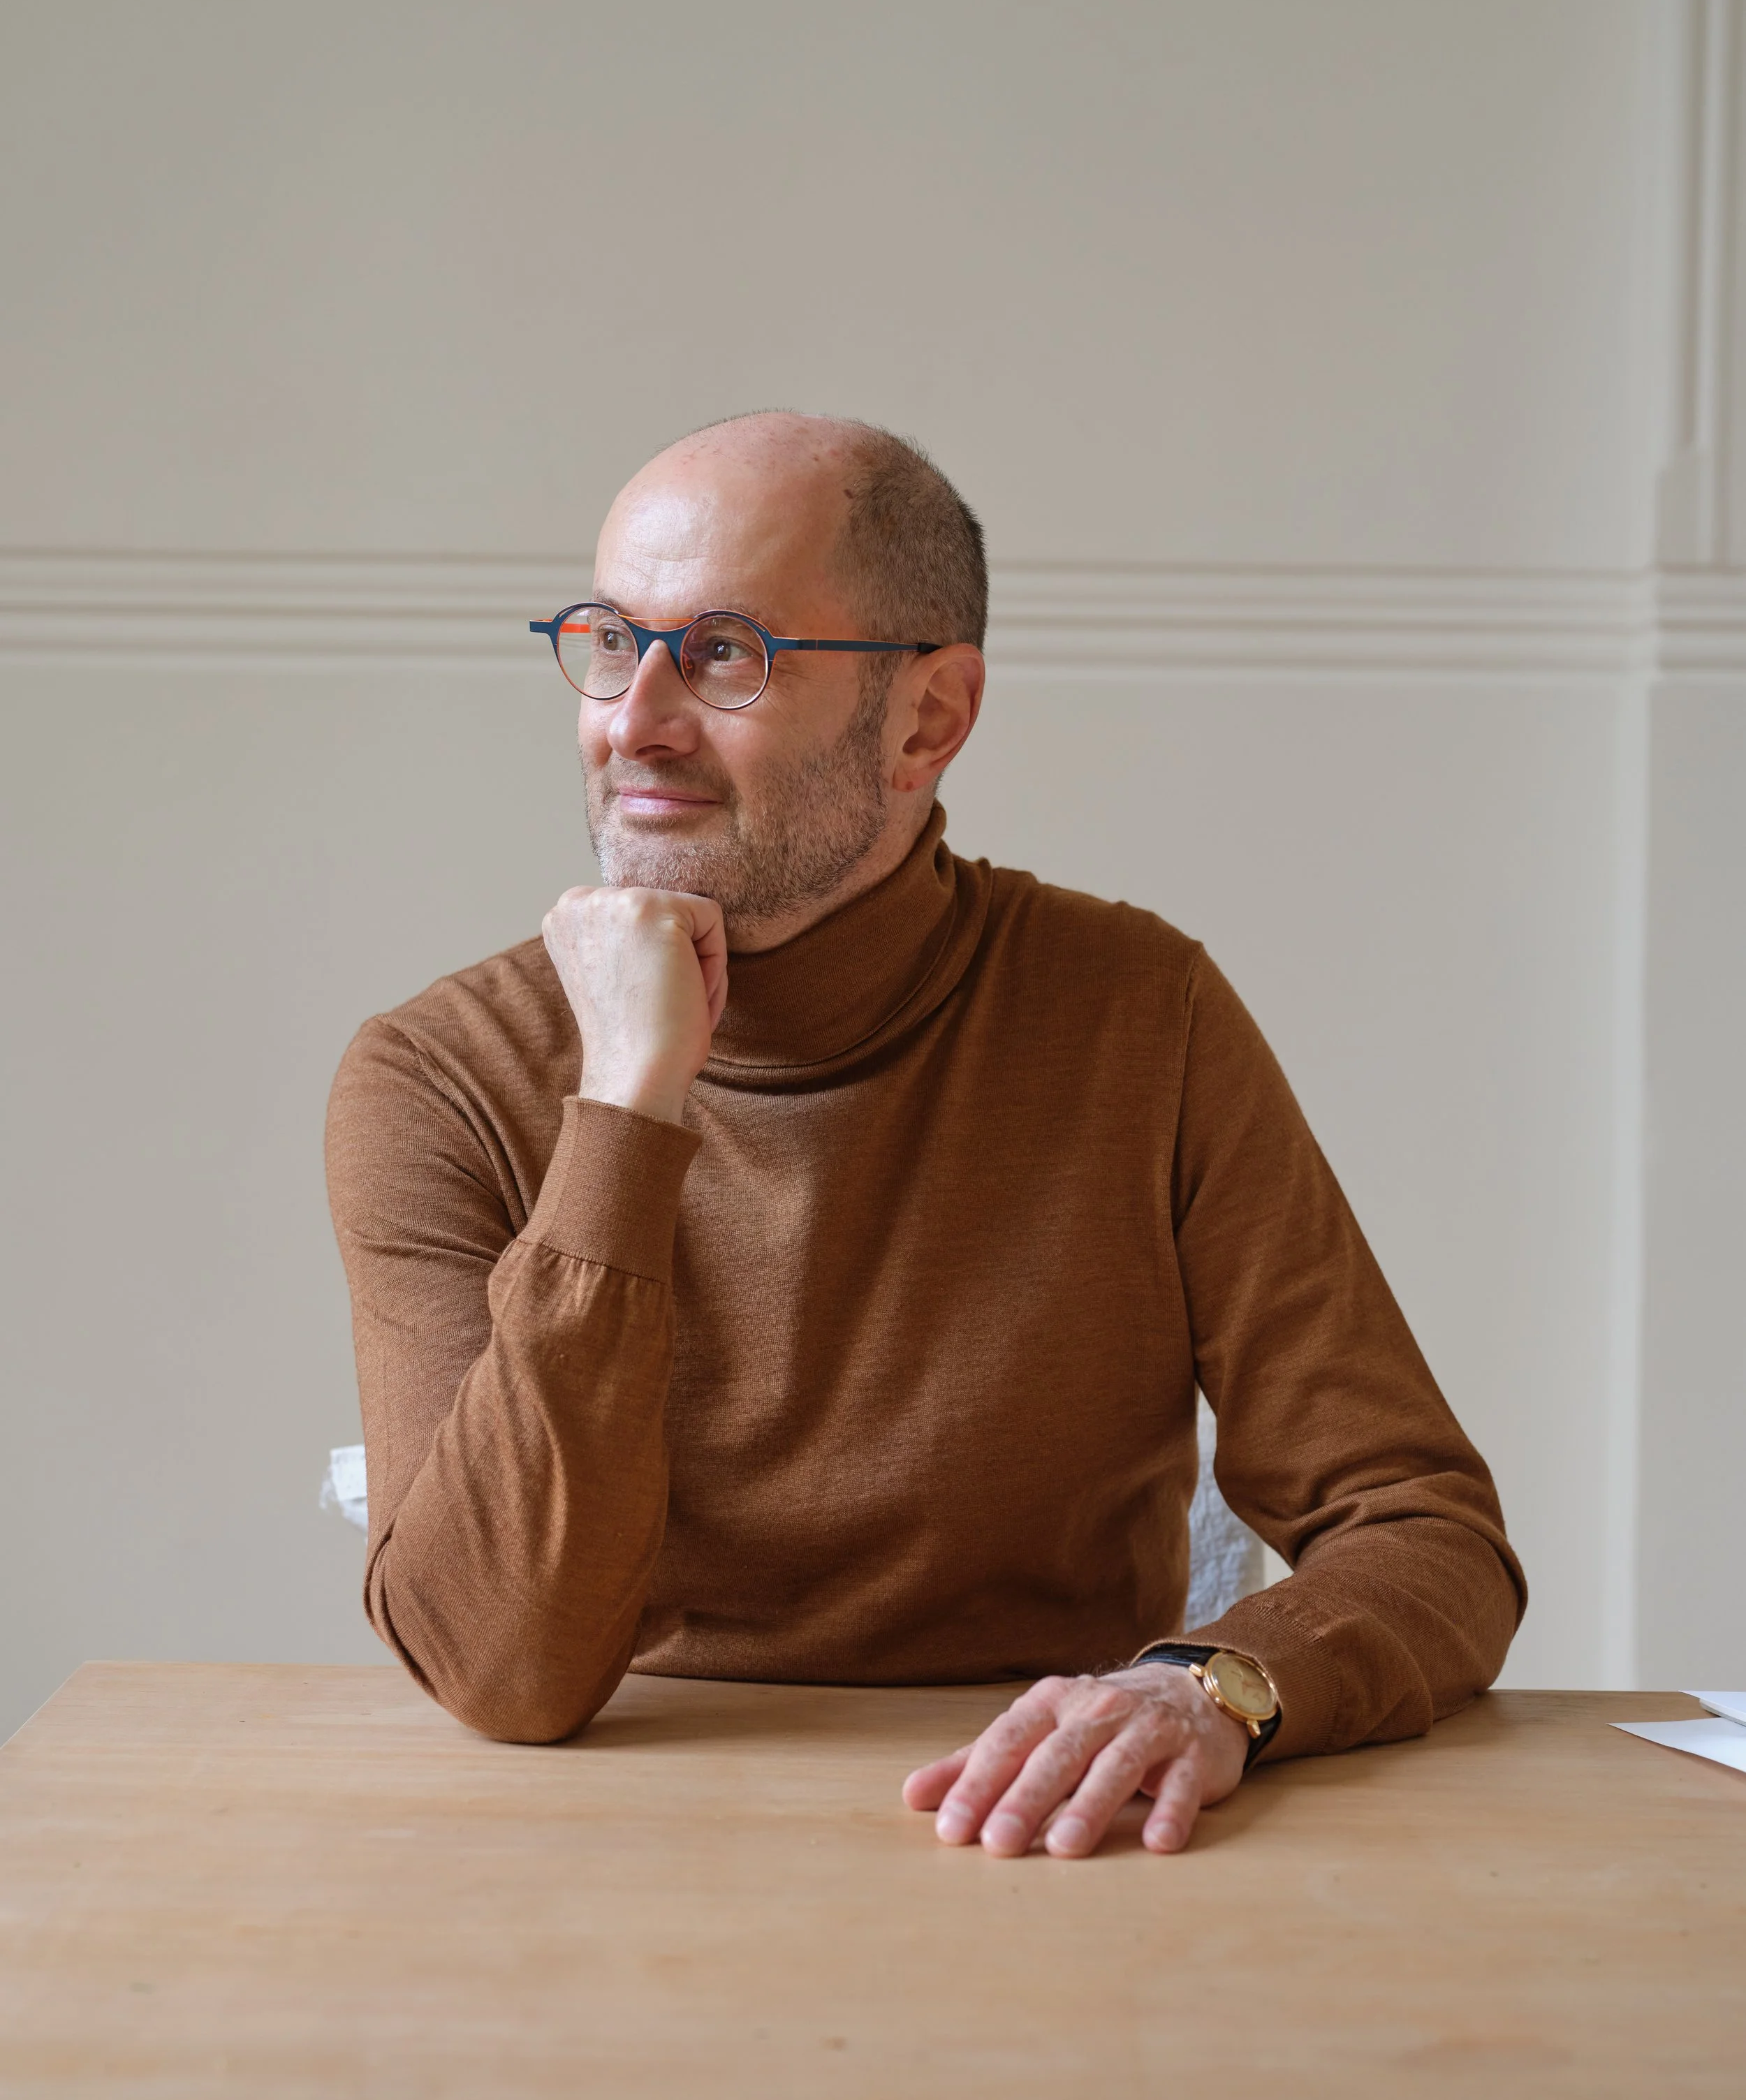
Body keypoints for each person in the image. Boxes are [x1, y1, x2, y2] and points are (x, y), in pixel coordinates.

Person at [326, 411, 1525, 1860]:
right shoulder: (440, 1074)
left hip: (1034, 1834)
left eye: (720, 652)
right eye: (606, 639)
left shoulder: (1139, 1015)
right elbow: (503, 1673)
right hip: (582, 1848)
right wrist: (626, 1106)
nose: (630, 717)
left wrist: (1206, 1687)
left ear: (927, 718)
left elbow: (1420, 1524)